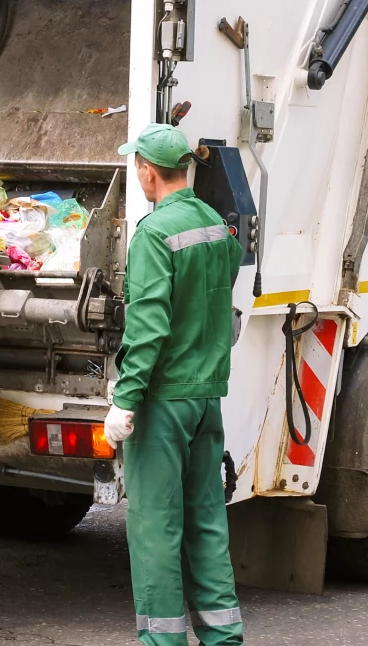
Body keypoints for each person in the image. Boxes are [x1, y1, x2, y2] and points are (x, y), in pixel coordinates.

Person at [105, 123, 244, 646]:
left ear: (146, 169)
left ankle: (162, 641)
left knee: (156, 528)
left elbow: (148, 328)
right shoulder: (216, 225)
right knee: (207, 520)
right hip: (206, 399)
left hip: (162, 405)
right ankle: (223, 638)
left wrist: (124, 401)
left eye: (135, 165)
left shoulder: (154, 234)